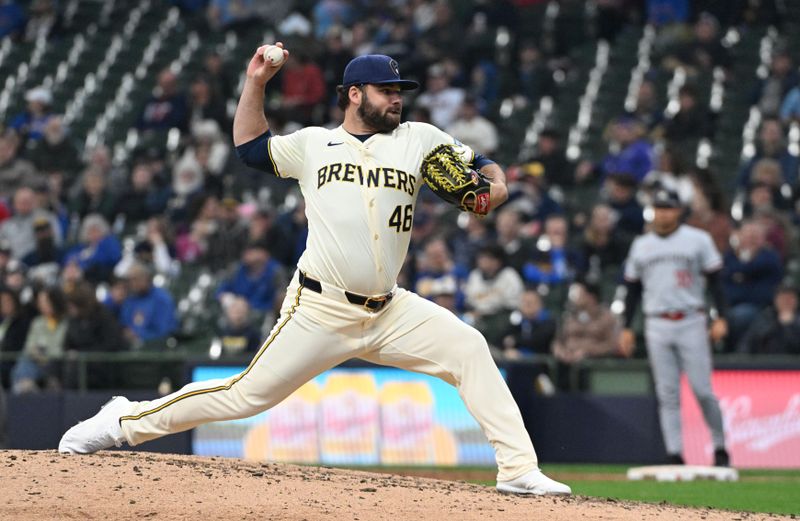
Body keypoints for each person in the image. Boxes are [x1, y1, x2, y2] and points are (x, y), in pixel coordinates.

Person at [59, 47, 570, 496]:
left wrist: (495, 184)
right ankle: (122, 420)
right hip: (320, 307)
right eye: (385, 90)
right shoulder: (313, 145)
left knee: (470, 349)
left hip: (391, 307)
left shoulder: (419, 137)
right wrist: (256, 82)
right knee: (243, 395)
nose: (397, 98)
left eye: (400, 90)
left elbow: (481, 165)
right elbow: (250, 148)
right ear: (353, 94)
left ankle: (518, 469)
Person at [620, 188, 730, 467]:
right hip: (656, 322)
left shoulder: (697, 239)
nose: (663, 212)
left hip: (691, 318)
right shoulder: (641, 245)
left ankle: (719, 447)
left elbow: (717, 281)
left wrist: (721, 317)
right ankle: (674, 453)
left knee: (703, 390)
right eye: (658, 207)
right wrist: (626, 327)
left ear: (679, 210)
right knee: (667, 393)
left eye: (668, 207)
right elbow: (631, 290)